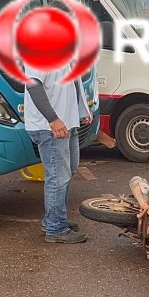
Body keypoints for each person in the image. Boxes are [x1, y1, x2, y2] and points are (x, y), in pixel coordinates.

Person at [25, 62, 92, 245]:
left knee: (68, 171)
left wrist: (82, 110)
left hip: (67, 123)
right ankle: (56, 228)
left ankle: (54, 219)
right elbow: (33, 84)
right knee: (58, 177)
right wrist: (53, 119)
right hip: (51, 128)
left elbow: (71, 82)